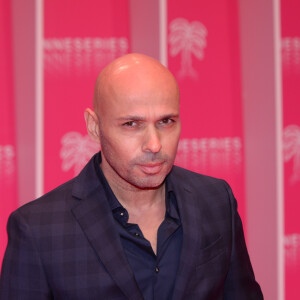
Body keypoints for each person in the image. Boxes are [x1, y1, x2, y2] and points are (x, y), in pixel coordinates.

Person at [0, 53, 263, 300]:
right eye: (132, 125)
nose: (154, 144)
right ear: (94, 127)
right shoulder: (38, 230)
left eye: (166, 122)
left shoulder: (216, 201)